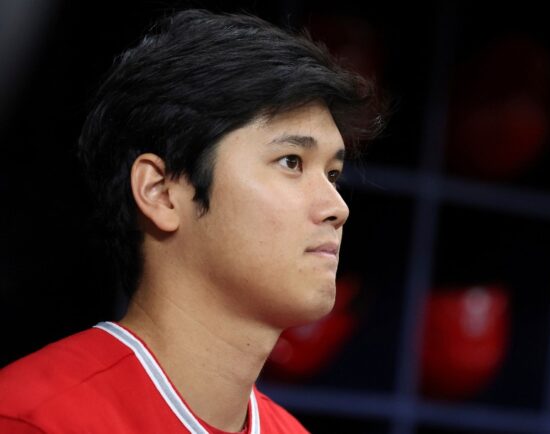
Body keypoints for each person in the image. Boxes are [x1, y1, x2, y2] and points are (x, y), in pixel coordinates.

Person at [0, 8, 385, 433]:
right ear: (161, 193)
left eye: (332, 175)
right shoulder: (33, 418)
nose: (337, 206)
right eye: (291, 161)